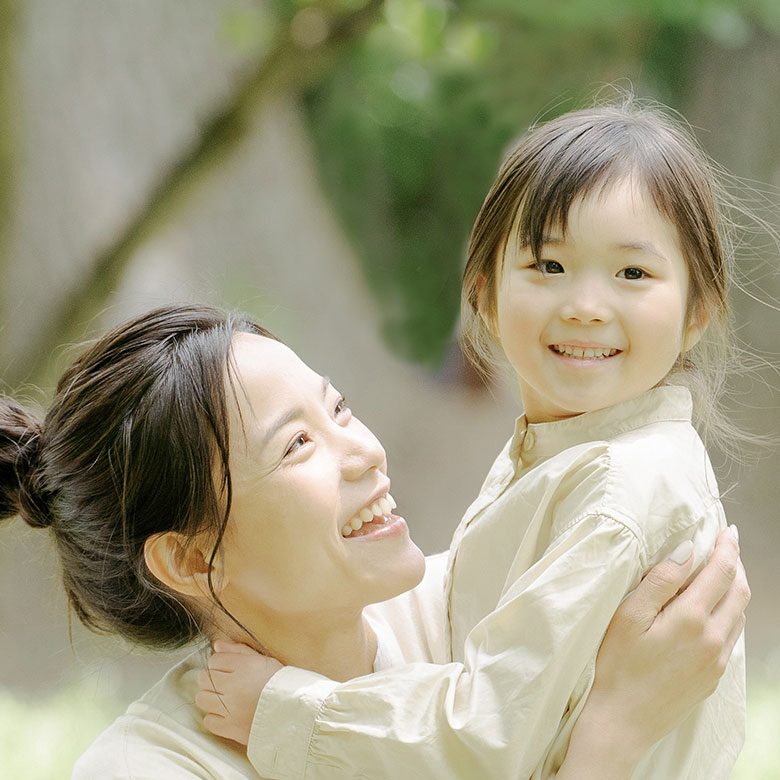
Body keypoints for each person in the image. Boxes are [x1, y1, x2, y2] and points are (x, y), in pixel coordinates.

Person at [201, 99, 756, 778]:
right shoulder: (564, 456)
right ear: (485, 293)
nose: (585, 304)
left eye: (632, 273)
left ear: (698, 309)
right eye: (548, 266)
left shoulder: (622, 489)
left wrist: (284, 711)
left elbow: (491, 737)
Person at [0, 304, 748, 780]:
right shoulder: (149, 770)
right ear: (192, 559)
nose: (363, 451)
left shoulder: (486, 612)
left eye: (339, 409)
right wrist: (609, 736)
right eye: (297, 445)